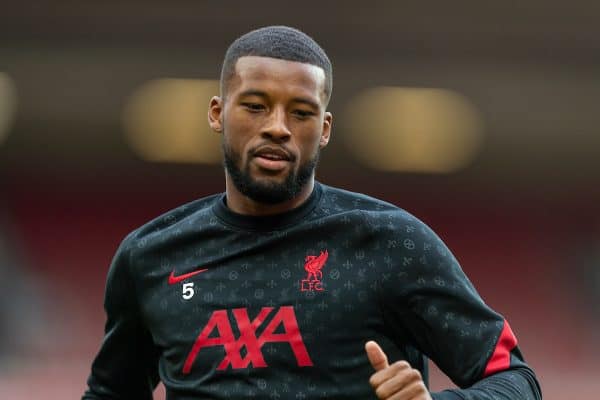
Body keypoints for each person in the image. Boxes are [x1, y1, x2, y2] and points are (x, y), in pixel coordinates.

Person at [82, 26, 542, 400]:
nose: (277, 127)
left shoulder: (391, 242)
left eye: (300, 113)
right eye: (256, 106)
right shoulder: (151, 257)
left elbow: (517, 381)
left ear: (323, 129)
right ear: (218, 113)